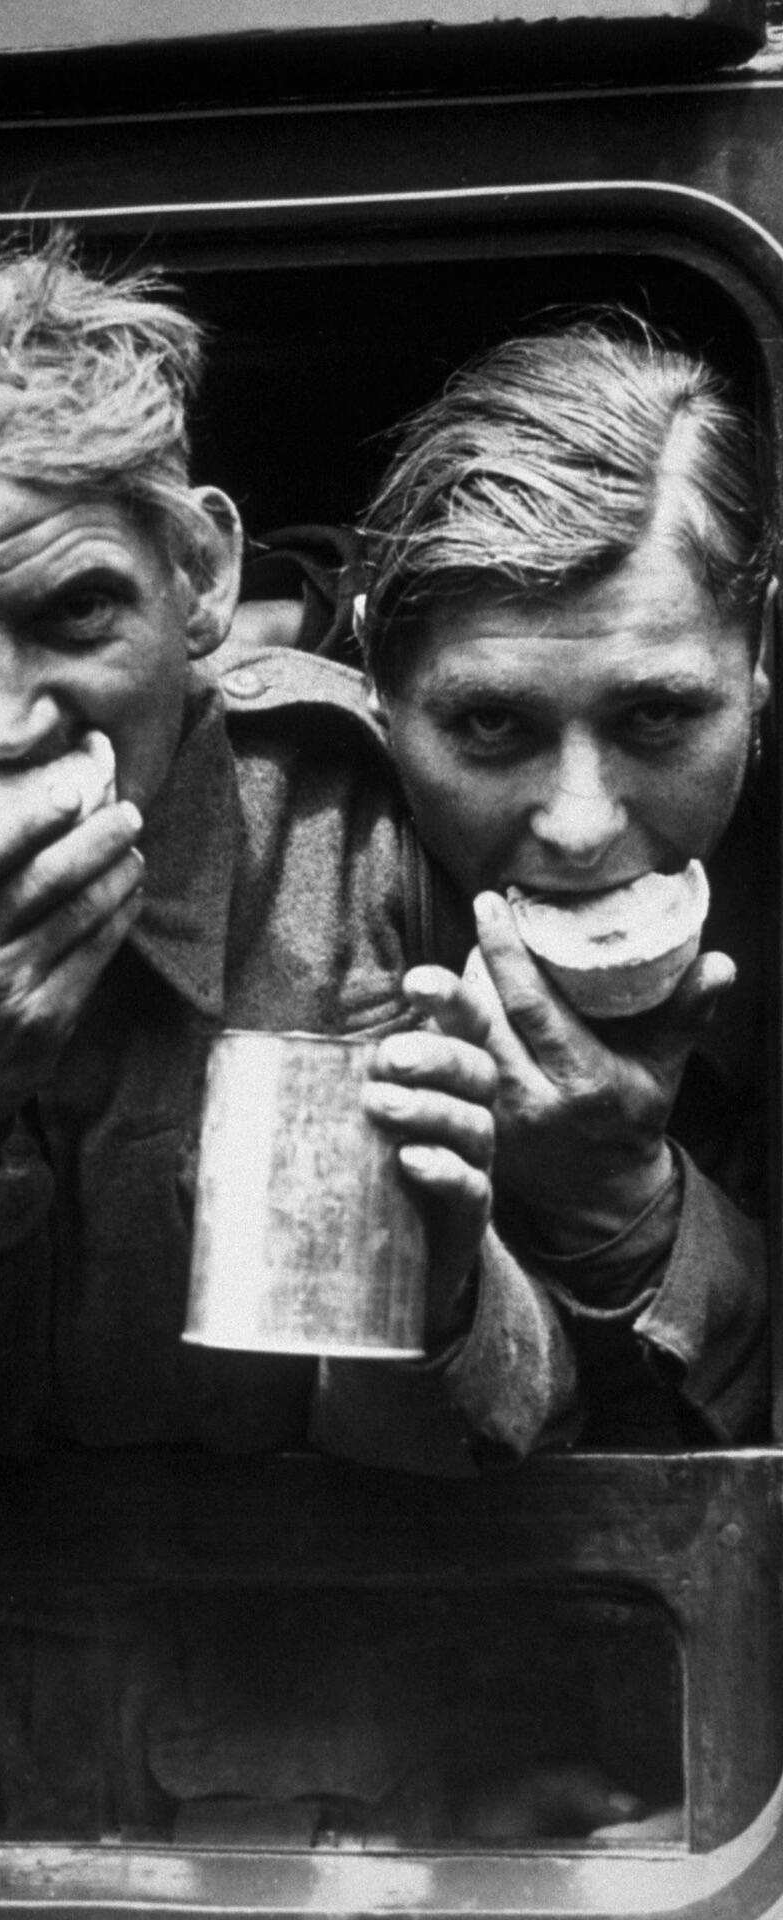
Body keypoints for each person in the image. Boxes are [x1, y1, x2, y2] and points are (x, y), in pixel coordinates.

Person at [0, 236, 593, 1841]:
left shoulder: (351, 827)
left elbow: (549, 1428)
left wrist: (447, 1290)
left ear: (198, 586)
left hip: (283, 1753)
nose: (3, 718)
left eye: (77, 615)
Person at [348, 317, 771, 1452]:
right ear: (375, 691)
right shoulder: (303, 892)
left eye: (658, 716)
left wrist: (623, 1204)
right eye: (492, 725)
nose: (580, 826)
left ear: (760, 650)